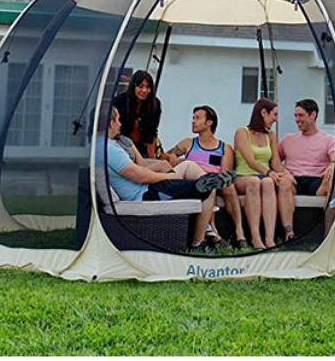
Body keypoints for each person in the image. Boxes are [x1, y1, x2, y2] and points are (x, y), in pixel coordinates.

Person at [100, 107, 234, 253]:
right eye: (117, 120)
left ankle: (208, 223)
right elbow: (140, 176)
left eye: (197, 118)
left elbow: (140, 170)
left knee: (189, 166)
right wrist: (167, 176)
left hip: (147, 187)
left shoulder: (106, 146)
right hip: (146, 193)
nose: (120, 124)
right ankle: (199, 241)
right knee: (207, 188)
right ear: (110, 123)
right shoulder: (109, 149)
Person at [162, 105, 251, 249]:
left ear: (209, 122)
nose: (193, 122)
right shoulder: (189, 143)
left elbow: (225, 173)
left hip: (214, 180)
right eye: (193, 118)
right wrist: (171, 156)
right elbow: (164, 156)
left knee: (224, 185)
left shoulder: (224, 148)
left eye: (197, 118)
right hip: (194, 182)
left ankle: (239, 232)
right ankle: (213, 231)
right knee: (209, 184)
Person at [233, 98, 290, 250]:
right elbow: (250, 160)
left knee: (268, 183)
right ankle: (255, 237)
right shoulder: (242, 133)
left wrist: (287, 174)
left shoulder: (270, 136)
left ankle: (269, 239)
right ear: (263, 113)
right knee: (255, 182)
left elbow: (276, 163)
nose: (276, 120)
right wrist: (268, 172)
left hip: (265, 176)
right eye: (274, 115)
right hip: (243, 176)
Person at [276, 99, 335, 241]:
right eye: (296, 116)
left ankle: (328, 234)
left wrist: (332, 164)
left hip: (316, 182)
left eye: (301, 115)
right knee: (284, 182)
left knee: (334, 180)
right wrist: (283, 172)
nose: (297, 120)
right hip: (294, 181)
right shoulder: (288, 139)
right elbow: (274, 161)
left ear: (313, 115)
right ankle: (288, 233)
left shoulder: (328, 139)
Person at [112, 70, 162, 159]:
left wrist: (151, 158)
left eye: (148, 87)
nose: (144, 90)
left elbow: (152, 133)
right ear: (133, 87)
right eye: (140, 86)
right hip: (122, 147)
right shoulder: (120, 101)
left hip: (143, 149)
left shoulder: (155, 104)